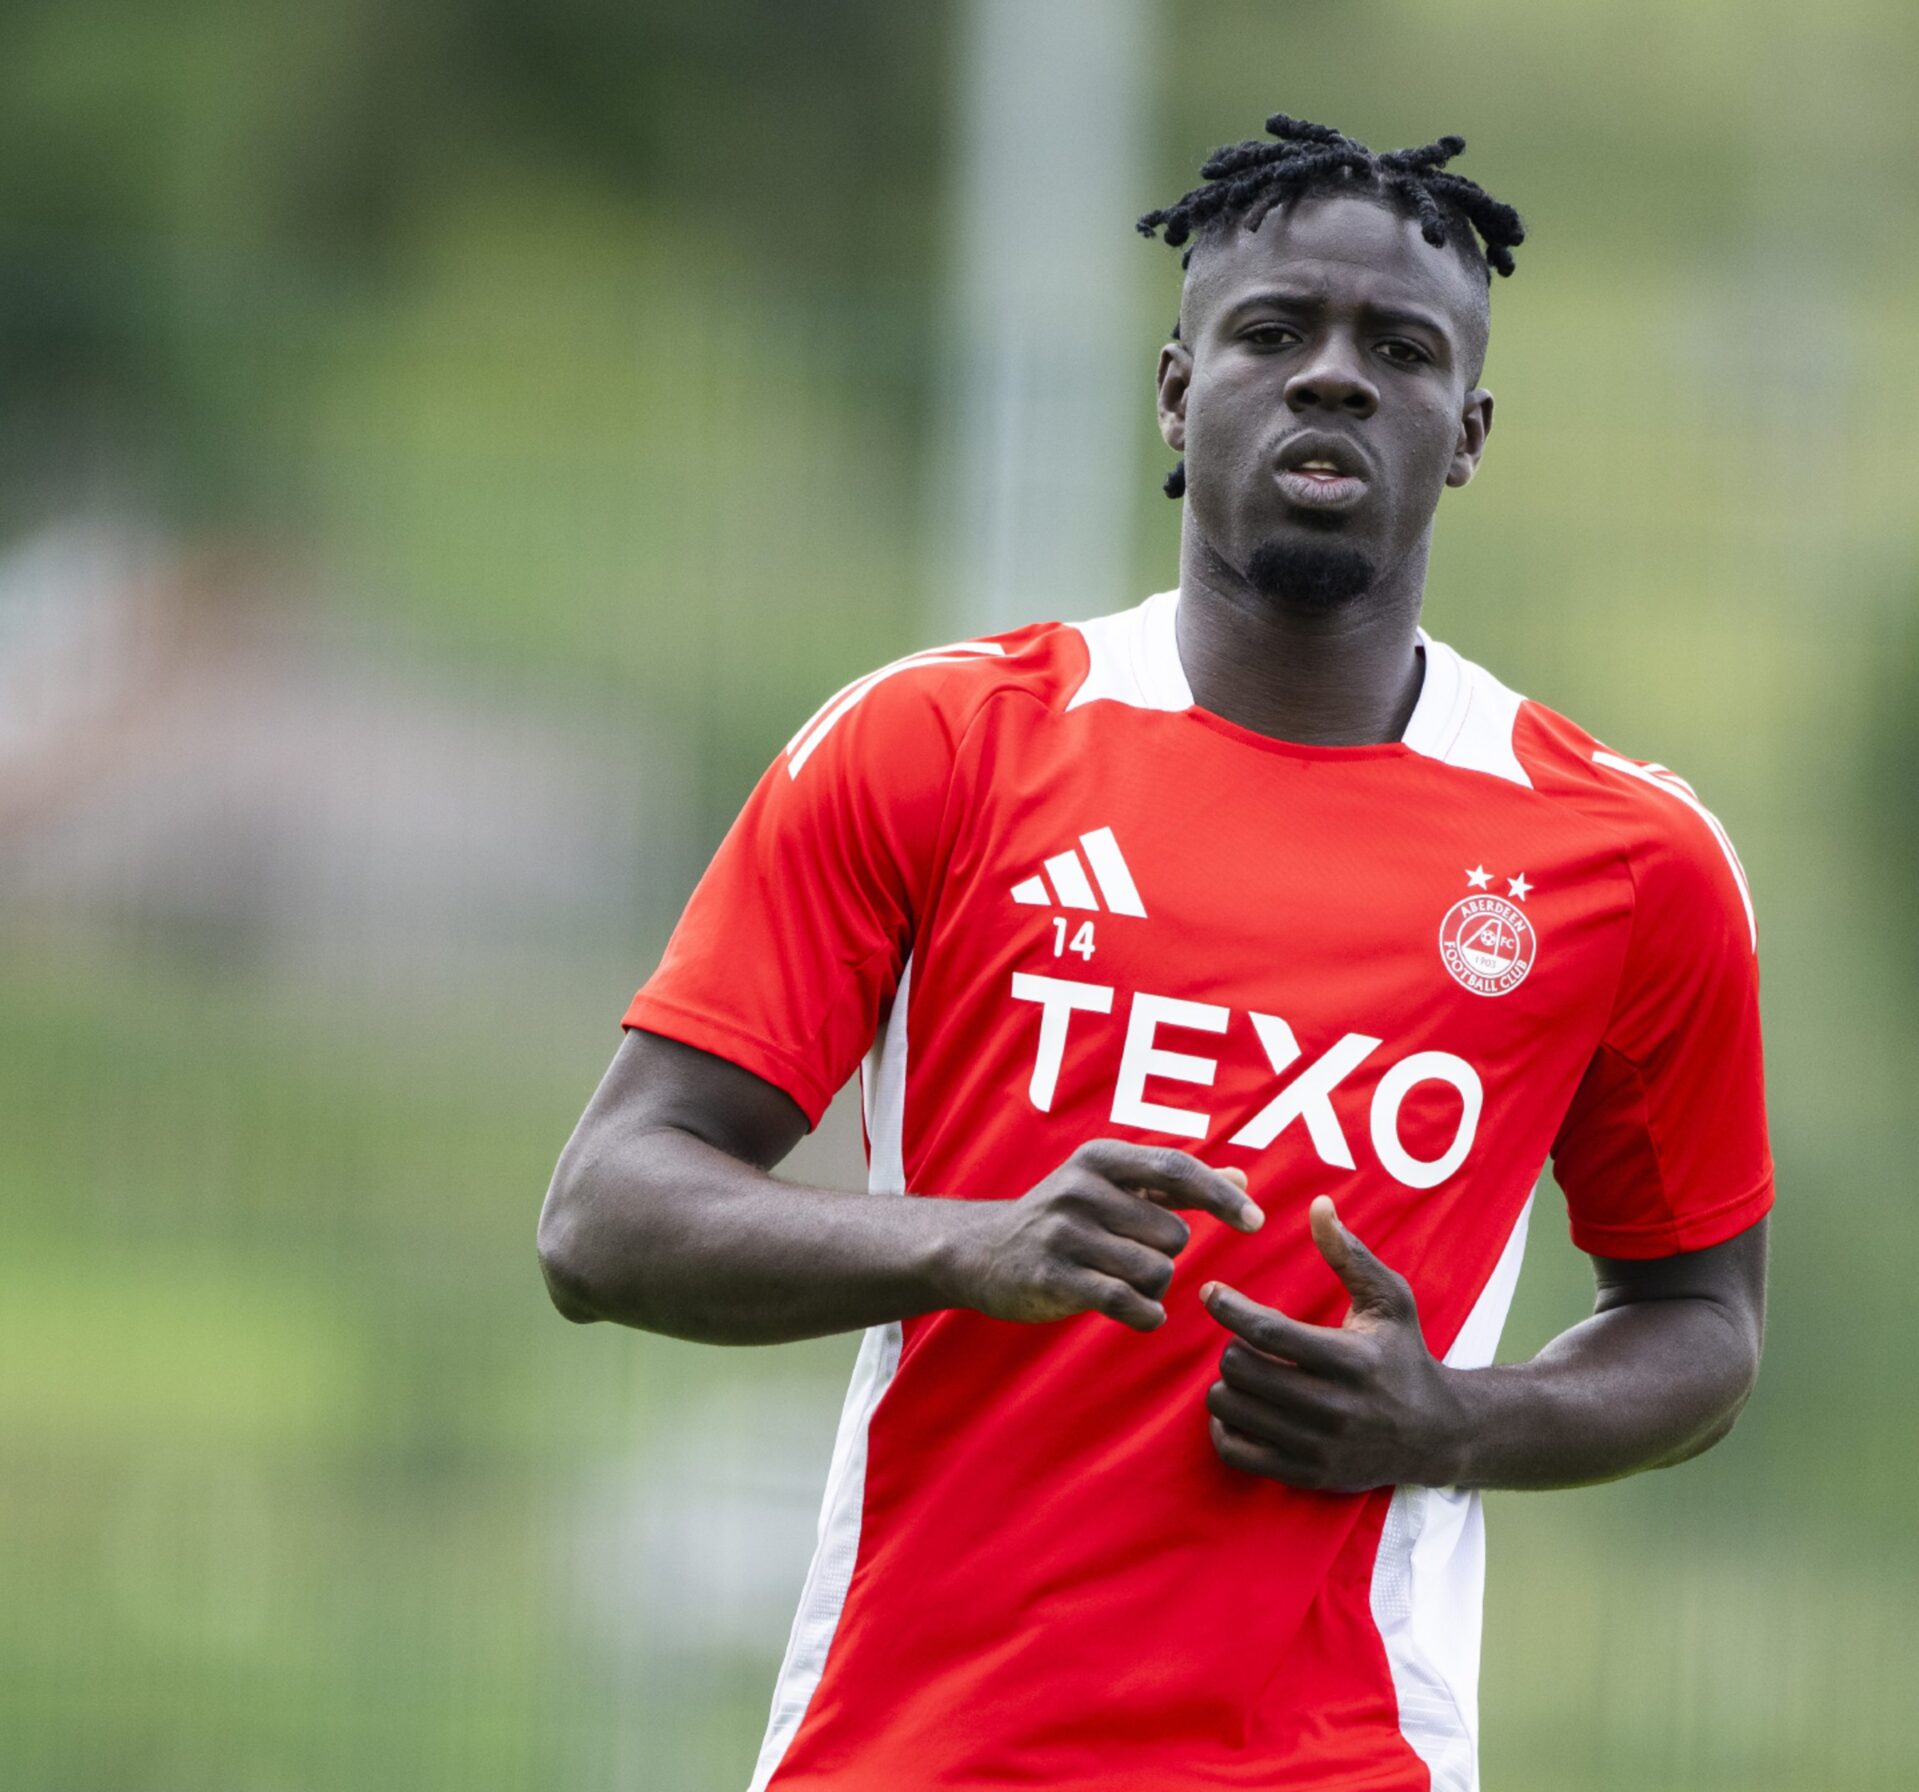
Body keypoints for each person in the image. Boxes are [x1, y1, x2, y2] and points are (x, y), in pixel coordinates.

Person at [538, 114, 1771, 1792]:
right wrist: (964, 1247)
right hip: (910, 1753)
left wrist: (1450, 1424)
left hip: (1342, 1759)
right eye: (1273, 335)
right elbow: (603, 1218)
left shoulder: (1627, 860)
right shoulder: (940, 744)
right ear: (1179, 394)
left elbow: (1700, 1324)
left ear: (1467, 433)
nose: (1331, 379)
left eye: (1397, 350)